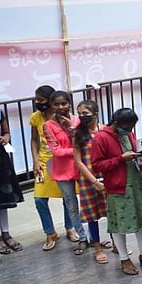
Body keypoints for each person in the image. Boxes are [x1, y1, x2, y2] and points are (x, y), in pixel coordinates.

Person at [91, 108, 142, 275]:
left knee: (141, 217)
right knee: (119, 222)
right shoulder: (101, 138)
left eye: (131, 127)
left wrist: (139, 155)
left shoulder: (128, 134)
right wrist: (120, 159)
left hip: (137, 180)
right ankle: (124, 258)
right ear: (116, 123)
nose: (129, 130)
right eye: (127, 127)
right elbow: (97, 165)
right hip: (118, 186)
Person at [29, 84, 76, 251]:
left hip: (63, 161)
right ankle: (50, 232)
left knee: (67, 196)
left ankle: (70, 227)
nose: (38, 103)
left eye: (41, 100)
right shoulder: (36, 117)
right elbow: (34, 140)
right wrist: (35, 161)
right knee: (39, 199)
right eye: (36, 100)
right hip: (44, 161)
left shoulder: (65, 117)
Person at [43, 91, 88, 256]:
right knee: (71, 204)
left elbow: (86, 141)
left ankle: (95, 237)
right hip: (62, 171)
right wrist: (76, 150)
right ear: (51, 106)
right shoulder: (48, 125)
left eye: (64, 103)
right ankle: (82, 237)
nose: (61, 107)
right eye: (56, 104)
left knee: (89, 202)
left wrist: (71, 129)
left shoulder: (77, 120)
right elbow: (56, 151)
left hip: (82, 167)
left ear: (70, 104)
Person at [71, 100, 113, 264]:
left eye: (85, 113)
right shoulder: (78, 134)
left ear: (95, 114)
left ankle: (117, 243)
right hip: (88, 179)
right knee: (91, 215)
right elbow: (78, 161)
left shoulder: (105, 130)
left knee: (112, 211)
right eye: (80, 113)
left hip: (107, 175)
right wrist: (94, 181)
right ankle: (97, 248)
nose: (82, 116)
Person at [0, 103, 24, 254]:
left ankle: (6, 233)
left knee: (3, 198)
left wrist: (5, 138)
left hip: (0, 159)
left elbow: (6, 132)